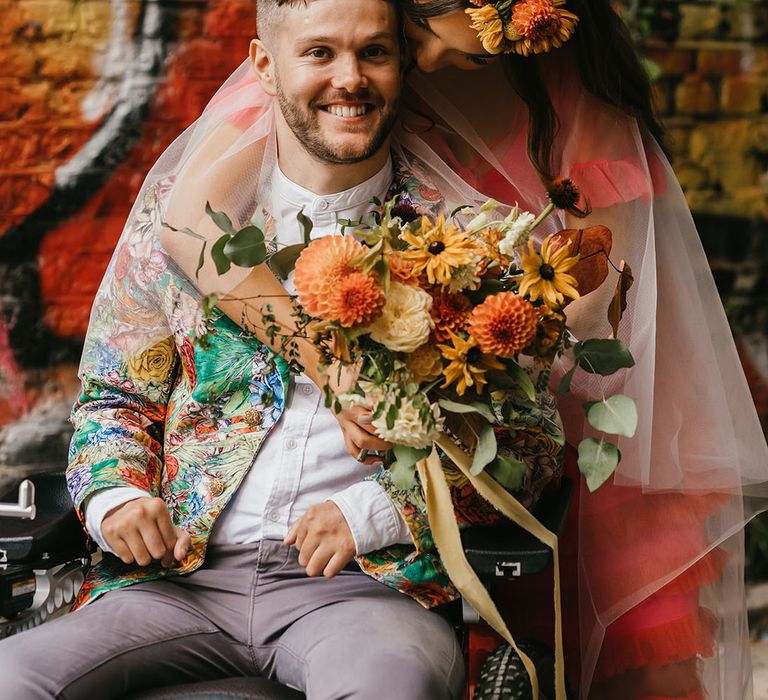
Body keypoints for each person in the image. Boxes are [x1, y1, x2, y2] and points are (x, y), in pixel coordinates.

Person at [154, 1, 768, 699]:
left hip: (548, 402)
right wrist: (337, 368)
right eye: (413, 37)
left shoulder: (577, 96)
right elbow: (187, 226)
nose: (429, 63)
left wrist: (468, 346)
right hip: (398, 434)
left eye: (470, 57)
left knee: (626, 656)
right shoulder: (347, 49)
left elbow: (600, 298)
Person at [0, 1, 532, 697]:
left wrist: (374, 512)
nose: (351, 78)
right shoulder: (183, 223)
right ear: (264, 66)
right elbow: (114, 398)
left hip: (364, 593)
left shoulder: (459, 243)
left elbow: (529, 446)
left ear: (401, 65)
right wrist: (113, 497)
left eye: (373, 53)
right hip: (175, 586)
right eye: (319, 54)